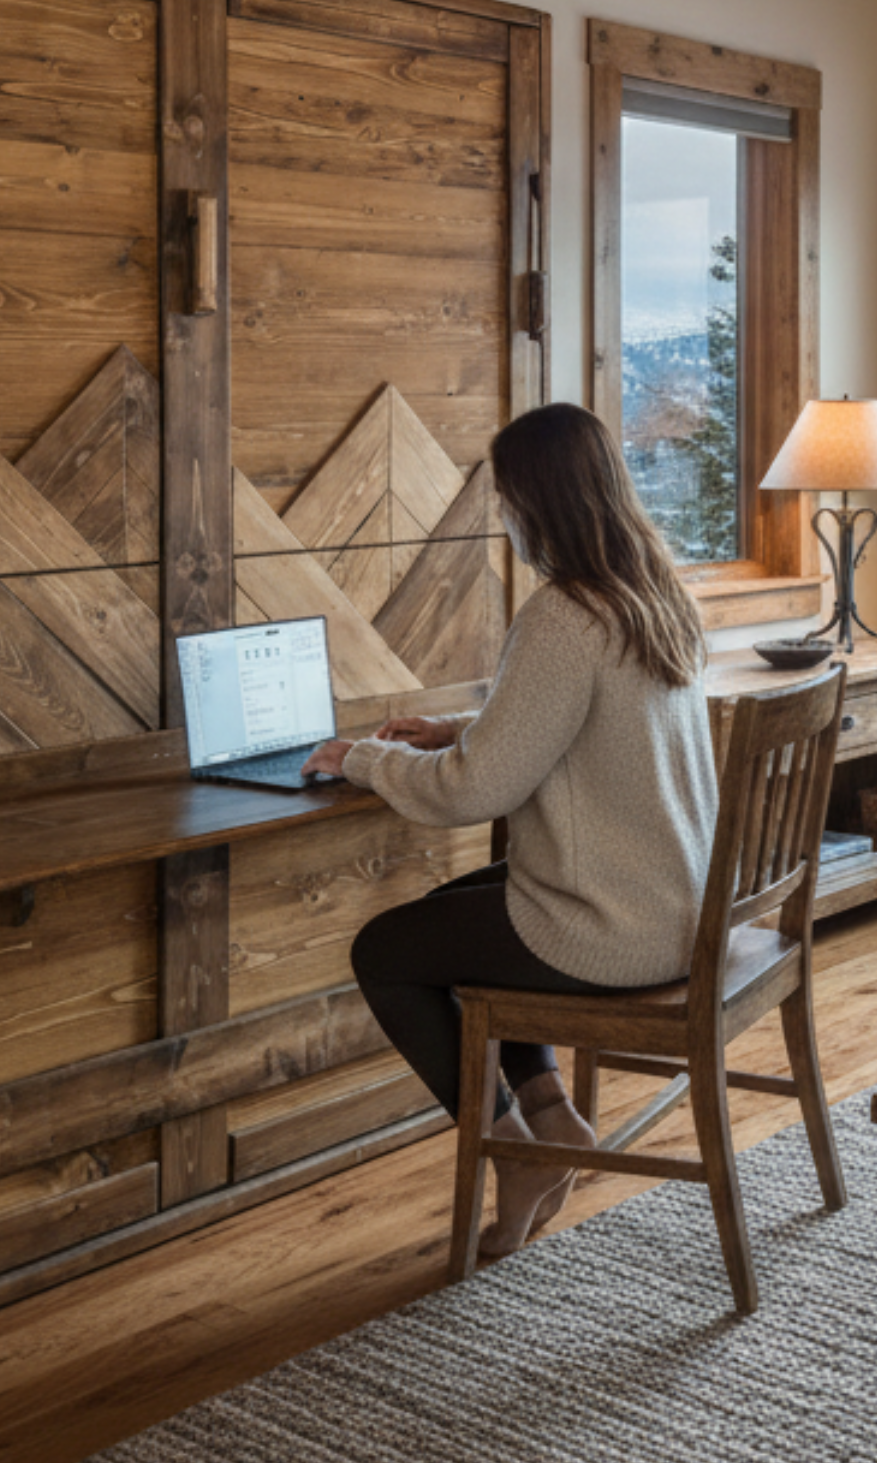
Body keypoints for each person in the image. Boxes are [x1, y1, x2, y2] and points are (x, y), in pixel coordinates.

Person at [301, 402, 718, 1258]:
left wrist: (357, 759)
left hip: (615, 928)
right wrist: (457, 727)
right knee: (470, 916)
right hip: (681, 908)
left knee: (386, 951)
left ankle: (515, 1150)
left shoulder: (566, 614)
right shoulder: (652, 595)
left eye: (507, 498)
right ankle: (552, 1119)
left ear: (537, 502)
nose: (506, 517)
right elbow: (585, 726)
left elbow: (473, 793)